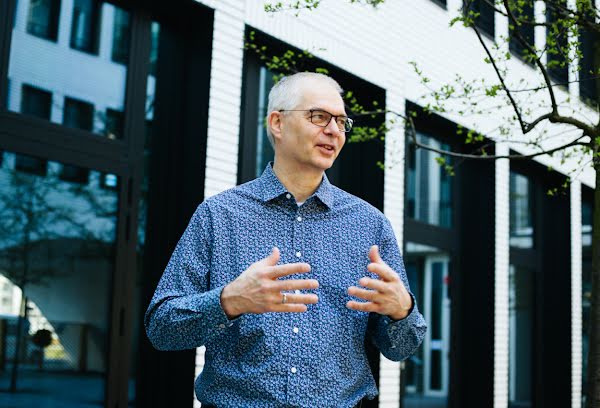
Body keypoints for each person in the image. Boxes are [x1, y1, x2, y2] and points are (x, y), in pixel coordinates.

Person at [144, 72, 427, 408]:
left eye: (341, 122)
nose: (334, 131)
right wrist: (230, 300)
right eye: (319, 117)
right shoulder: (219, 215)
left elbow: (401, 347)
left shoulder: (370, 225)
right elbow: (161, 327)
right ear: (277, 123)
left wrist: (401, 311)